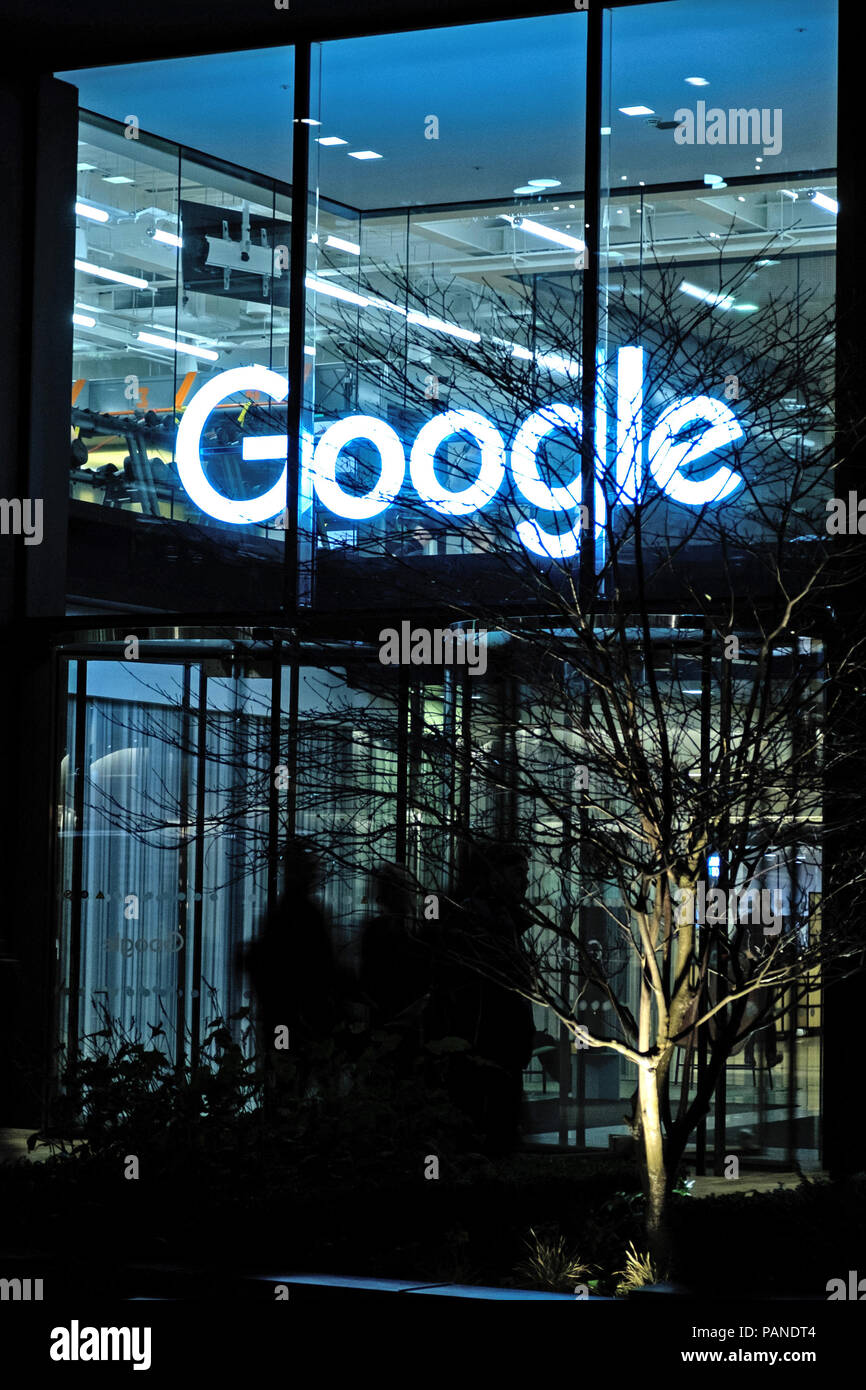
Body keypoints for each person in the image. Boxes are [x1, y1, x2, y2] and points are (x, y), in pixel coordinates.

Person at [427, 843, 537, 1153]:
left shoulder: (499, 920)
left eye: (525, 875)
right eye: (518, 874)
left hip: (495, 1046)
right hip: (487, 1045)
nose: (524, 882)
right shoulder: (480, 921)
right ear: (494, 877)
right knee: (488, 1132)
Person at [243, 840, 347, 1099]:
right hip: (303, 1019)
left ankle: (282, 1124)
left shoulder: (280, 915)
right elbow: (324, 970)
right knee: (299, 1079)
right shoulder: (308, 915)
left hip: (283, 1018)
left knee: (284, 1079)